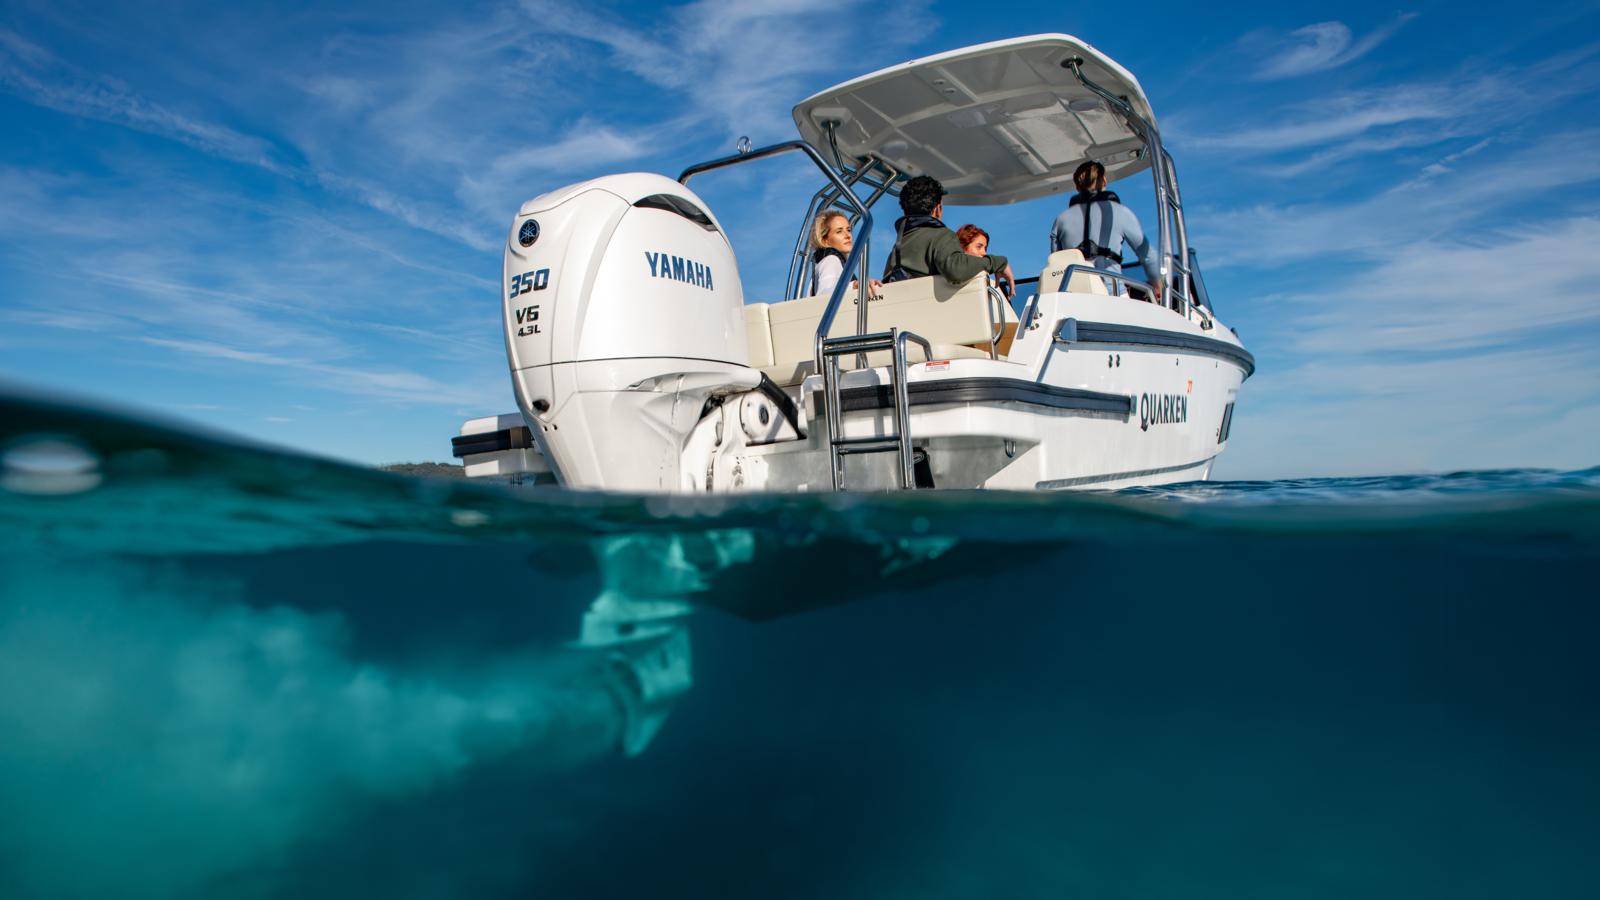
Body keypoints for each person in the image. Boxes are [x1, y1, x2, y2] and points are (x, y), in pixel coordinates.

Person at [1049, 160, 1162, 301]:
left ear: (1077, 187)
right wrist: (1158, 285)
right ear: (1104, 181)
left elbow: (1056, 264)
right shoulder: (1120, 212)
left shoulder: (1060, 220)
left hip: (1075, 298)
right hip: (1113, 295)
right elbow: (1148, 255)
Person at [883, 175, 1014, 295]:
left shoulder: (899, 247)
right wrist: (999, 263)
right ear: (937, 208)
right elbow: (955, 270)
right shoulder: (941, 235)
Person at [809, 211, 881, 299]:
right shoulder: (831, 260)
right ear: (825, 240)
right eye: (839, 231)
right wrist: (855, 285)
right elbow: (824, 293)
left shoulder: (826, 261)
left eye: (848, 230)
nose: (848, 235)